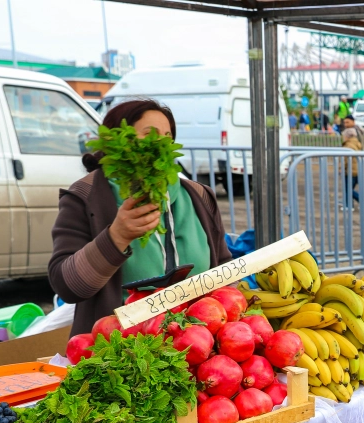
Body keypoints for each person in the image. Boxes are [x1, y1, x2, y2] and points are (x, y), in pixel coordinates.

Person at [50, 99, 232, 337]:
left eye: (167, 137)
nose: (161, 145)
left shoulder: (198, 196)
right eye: (150, 134)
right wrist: (116, 237)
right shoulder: (84, 196)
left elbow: (225, 273)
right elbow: (67, 286)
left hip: (197, 345)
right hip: (120, 351)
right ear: (118, 141)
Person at [340, 117, 364, 209]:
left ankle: (356, 201)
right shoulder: (356, 132)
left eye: (347, 122)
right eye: (344, 122)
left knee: (348, 187)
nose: (345, 124)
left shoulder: (355, 133)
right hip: (358, 163)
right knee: (359, 184)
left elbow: (363, 146)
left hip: (354, 164)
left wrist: (342, 167)